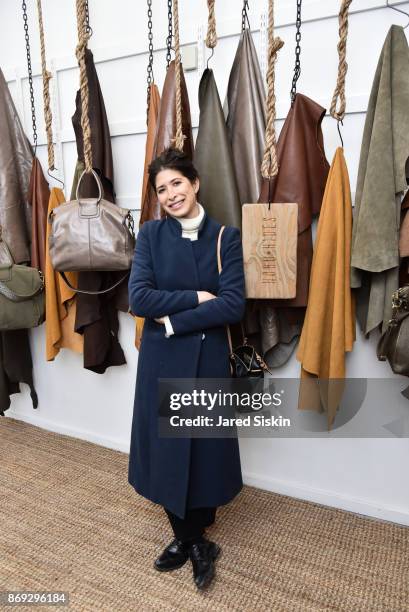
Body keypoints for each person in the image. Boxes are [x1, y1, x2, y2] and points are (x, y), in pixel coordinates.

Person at [128, 147, 246, 589]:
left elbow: (233, 305)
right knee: (168, 451)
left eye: (177, 183)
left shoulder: (225, 238)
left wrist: (173, 318)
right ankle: (193, 541)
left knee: (203, 450)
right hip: (161, 361)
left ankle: (193, 538)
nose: (171, 194)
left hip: (208, 358)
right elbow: (139, 299)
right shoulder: (151, 236)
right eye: (162, 189)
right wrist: (197, 299)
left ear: (194, 183)